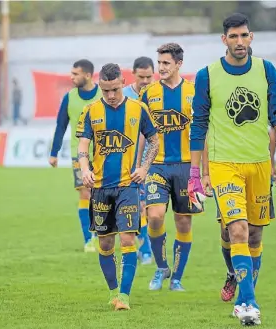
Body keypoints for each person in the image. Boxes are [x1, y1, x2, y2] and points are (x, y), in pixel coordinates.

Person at [188, 13, 276, 326]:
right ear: (224, 40)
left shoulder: (266, 70)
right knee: (236, 228)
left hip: (260, 164)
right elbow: (198, 125)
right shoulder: (207, 75)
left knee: (253, 235)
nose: (240, 42)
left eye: (244, 36)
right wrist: (196, 174)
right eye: (233, 37)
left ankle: (238, 279)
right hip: (224, 165)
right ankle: (247, 302)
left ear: (251, 38)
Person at [76, 63, 159, 310]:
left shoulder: (138, 109)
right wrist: (85, 169)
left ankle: (124, 296)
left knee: (127, 240)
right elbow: (83, 146)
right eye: (105, 91)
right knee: (105, 244)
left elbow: (154, 141)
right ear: (100, 86)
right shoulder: (90, 111)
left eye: (114, 89)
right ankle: (113, 291)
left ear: (123, 82)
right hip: (100, 188)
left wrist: (143, 168)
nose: (110, 96)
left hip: (127, 187)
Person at [138, 43, 201, 292]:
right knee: (154, 216)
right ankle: (162, 266)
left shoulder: (194, 93)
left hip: (186, 166)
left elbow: (201, 134)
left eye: (166, 63)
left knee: (183, 222)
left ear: (178, 64)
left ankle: (176, 278)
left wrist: (203, 173)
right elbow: (141, 135)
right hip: (157, 166)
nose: (160, 68)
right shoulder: (148, 93)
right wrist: (139, 166)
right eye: (159, 63)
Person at [206, 126, 276, 303]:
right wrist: (204, 172)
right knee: (229, 232)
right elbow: (207, 133)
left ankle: (245, 300)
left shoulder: (265, 101)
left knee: (254, 236)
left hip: (258, 169)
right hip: (227, 169)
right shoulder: (219, 107)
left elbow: (275, 132)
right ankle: (232, 273)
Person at [49, 59, 103, 252]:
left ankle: (103, 232)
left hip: (104, 154)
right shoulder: (69, 97)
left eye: (75, 74)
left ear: (87, 75)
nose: (71, 77)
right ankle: (89, 239)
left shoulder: (102, 94)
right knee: (85, 193)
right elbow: (61, 125)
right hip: (79, 155)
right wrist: (53, 152)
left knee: (104, 195)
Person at [123, 56, 155, 265]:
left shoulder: (157, 94)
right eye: (141, 76)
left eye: (149, 77)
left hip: (150, 160)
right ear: (133, 74)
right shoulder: (123, 95)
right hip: (125, 160)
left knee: (145, 206)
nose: (145, 81)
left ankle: (145, 250)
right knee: (129, 206)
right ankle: (134, 246)